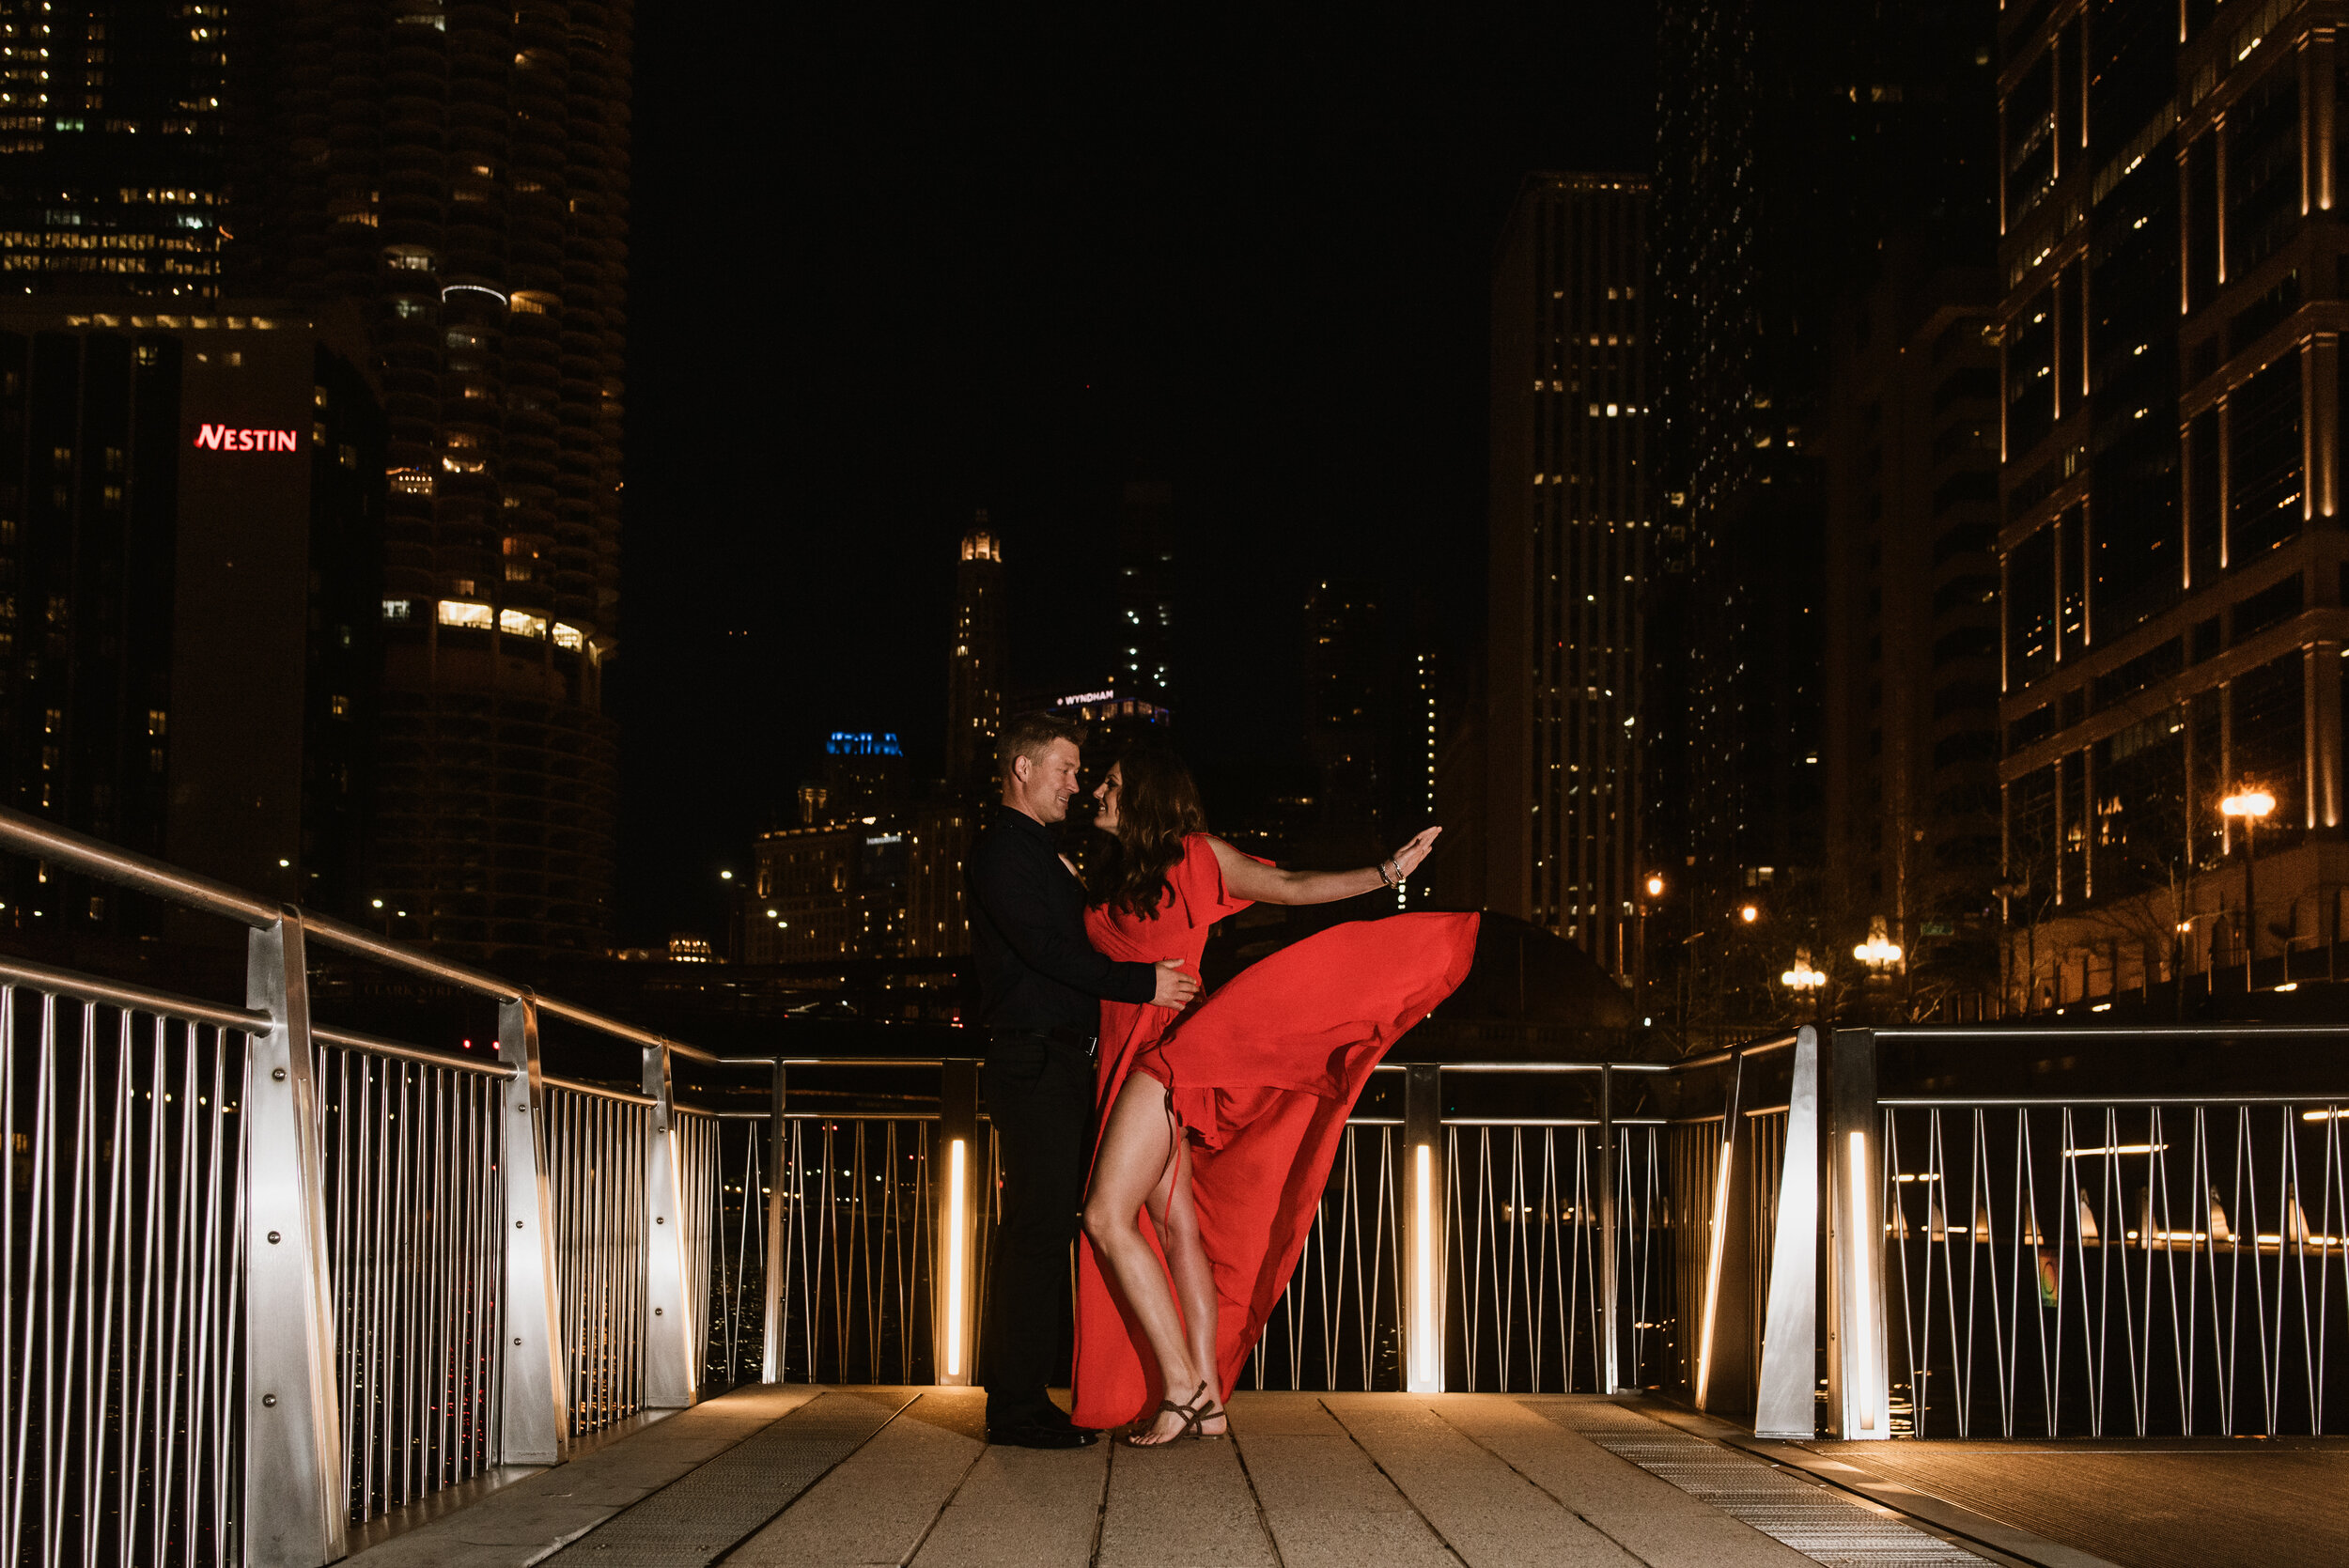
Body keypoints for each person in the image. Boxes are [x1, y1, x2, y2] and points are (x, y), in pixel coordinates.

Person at [1072, 748, 1478, 1444]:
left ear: (1146, 796)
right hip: (1123, 1058)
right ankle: (1209, 1398)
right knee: (1176, 1227)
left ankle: (1181, 1390)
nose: (1096, 791)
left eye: (1111, 783)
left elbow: (1290, 883)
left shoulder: (1196, 857)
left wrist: (1388, 873)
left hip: (1167, 1057)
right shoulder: (1100, 880)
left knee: (1106, 1216)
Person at [964, 712, 1201, 1449]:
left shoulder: (1042, 853)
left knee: (1045, 1228)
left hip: (1062, 1060)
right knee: (1036, 1230)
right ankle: (1016, 1406)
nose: (1078, 782)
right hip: (1033, 1059)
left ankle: (1031, 1394)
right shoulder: (1004, 852)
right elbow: (1042, 950)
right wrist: (1143, 984)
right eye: (1066, 768)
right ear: (1023, 769)